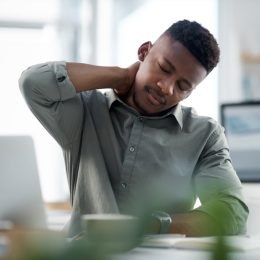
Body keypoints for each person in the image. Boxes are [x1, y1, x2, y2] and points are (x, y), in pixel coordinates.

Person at [19, 19, 248, 238]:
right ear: (144, 52)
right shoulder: (85, 110)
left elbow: (232, 212)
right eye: (164, 68)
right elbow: (33, 83)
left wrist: (150, 225)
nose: (166, 88)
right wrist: (121, 76)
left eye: (183, 86)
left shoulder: (205, 135)